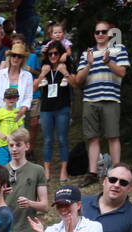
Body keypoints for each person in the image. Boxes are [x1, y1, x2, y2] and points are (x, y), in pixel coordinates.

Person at [75, 19, 129, 186]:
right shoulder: (87, 53)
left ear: (110, 34)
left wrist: (108, 62)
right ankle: (92, 173)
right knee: (92, 138)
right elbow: (78, 80)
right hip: (90, 98)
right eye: (97, 32)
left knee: (113, 136)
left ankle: (115, 171)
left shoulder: (118, 49)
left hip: (110, 98)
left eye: (103, 32)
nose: (100, 35)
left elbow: (122, 72)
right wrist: (89, 65)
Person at [35, 42, 73, 183]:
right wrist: (42, 75)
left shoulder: (65, 67)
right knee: (48, 140)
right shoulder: (44, 68)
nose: (52, 56)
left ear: (60, 54)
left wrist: (65, 73)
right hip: (46, 109)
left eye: (55, 53)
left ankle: (64, 170)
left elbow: (75, 84)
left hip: (62, 108)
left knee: (62, 139)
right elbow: (33, 88)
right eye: (50, 54)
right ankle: (47, 170)